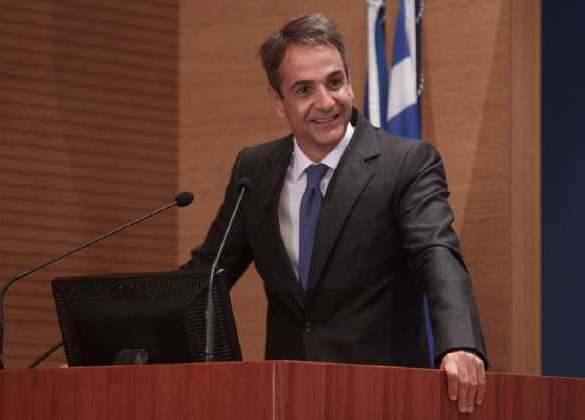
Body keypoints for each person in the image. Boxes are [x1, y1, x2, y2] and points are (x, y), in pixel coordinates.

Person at [182, 13, 488, 414]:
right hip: (287, 399)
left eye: (334, 82)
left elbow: (437, 254)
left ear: (350, 81)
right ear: (278, 101)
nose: (326, 102)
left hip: (383, 398)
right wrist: (137, 340)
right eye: (304, 89)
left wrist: (460, 343)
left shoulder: (405, 163)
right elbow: (206, 276)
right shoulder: (255, 172)